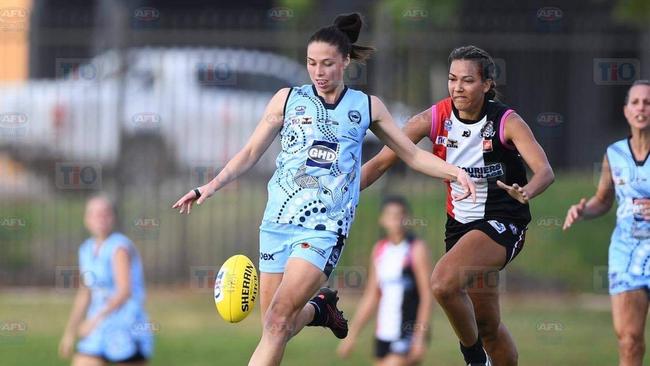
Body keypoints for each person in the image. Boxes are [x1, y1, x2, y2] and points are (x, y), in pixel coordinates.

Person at [172, 13, 475, 366]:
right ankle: (321, 310)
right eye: (311, 63)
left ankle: (318, 307)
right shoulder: (286, 99)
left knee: (277, 319)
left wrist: (455, 173)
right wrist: (209, 186)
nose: (318, 71)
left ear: (345, 61)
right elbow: (250, 152)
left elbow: (410, 154)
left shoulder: (365, 107)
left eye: (327, 63)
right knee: (275, 323)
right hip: (276, 223)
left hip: (323, 229)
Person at [360, 45, 555, 365]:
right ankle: (481, 349)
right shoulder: (433, 118)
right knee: (487, 325)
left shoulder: (507, 121)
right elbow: (380, 163)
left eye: (467, 80)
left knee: (442, 282)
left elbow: (544, 171)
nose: (457, 87)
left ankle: (473, 357)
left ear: (487, 84)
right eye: (453, 79)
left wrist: (528, 191)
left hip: (503, 220)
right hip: (460, 226)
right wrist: (342, 193)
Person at [563, 80, 650, 366]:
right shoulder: (614, 154)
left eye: (647, 102)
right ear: (626, 110)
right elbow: (603, 199)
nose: (641, 108)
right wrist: (583, 209)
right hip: (627, 251)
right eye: (635, 102)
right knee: (629, 340)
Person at [59, 194, 153, 365]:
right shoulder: (86, 249)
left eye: (105, 213)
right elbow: (85, 293)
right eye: (95, 214)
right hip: (98, 327)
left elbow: (124, 291)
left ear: (113, 218)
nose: (100, 218)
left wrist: (94, 320)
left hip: (126, 326)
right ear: (86, 219)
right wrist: (70, 332)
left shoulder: (119, 247)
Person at [337, 196, 433, 365]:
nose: (396, 220)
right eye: (391, 215)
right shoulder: (380, 249)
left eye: (400, 215)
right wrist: (351, 335)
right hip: (384, 332)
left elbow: (427, 296)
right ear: (382, 220)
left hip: (407, 332)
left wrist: (420, 337)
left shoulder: (416, 249)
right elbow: (372, 296)